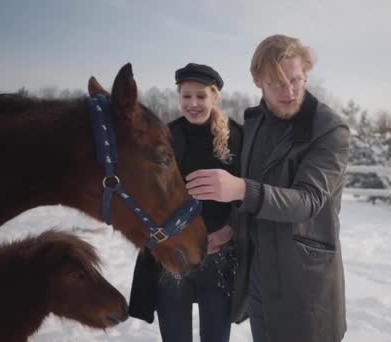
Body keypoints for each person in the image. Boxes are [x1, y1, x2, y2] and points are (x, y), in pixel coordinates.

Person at [185, 35, 350, 342]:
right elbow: (252, 194)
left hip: (304, 279)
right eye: (277, 83)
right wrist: (229, 229)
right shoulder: (254, 122)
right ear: (258, 80)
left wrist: (239, 189)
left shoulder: (329, 128)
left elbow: (308, 200)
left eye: (296, 80)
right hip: (259, 274)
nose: (289, 92)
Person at [128, 63, 243, 342]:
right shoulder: (164, 137)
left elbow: (248, 194)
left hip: (220, 259)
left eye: (201, 96)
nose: (193, 103)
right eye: (186, 96)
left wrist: (229, 230)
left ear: (215, 97)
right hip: (173, 259)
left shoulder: (238, 137)